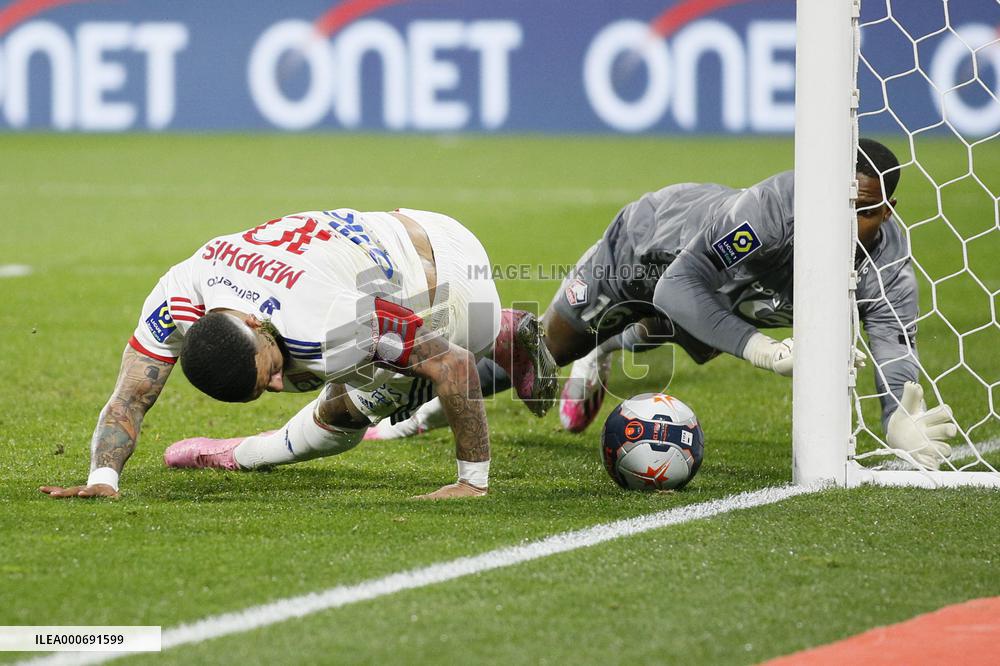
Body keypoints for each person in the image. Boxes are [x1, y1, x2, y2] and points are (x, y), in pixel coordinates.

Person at [367, 140, 956, 470]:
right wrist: (761, 348)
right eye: (841, 206)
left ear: (891, 209)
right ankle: (412, 415)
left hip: (726, 293)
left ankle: (608, 350)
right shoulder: (767, 215)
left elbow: (893, 350)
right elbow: (679, 285)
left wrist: (896, 420)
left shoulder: (888, 265)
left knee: (669, 328)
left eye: (869, 212)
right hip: (643, 250)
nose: (851, 225)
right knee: (542, 356)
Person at [40, 208, 557, 501]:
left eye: (267, 372)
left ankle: (500, 332)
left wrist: (472, 483)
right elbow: (129, 397)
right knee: (325, 375)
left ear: (248, 323)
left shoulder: (327, 321)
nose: (275, 386)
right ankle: (498, 331)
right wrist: (101, 479)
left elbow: (455, 367)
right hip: (412, 224)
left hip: (452, 285)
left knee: (341, 411)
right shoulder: (179, 293)